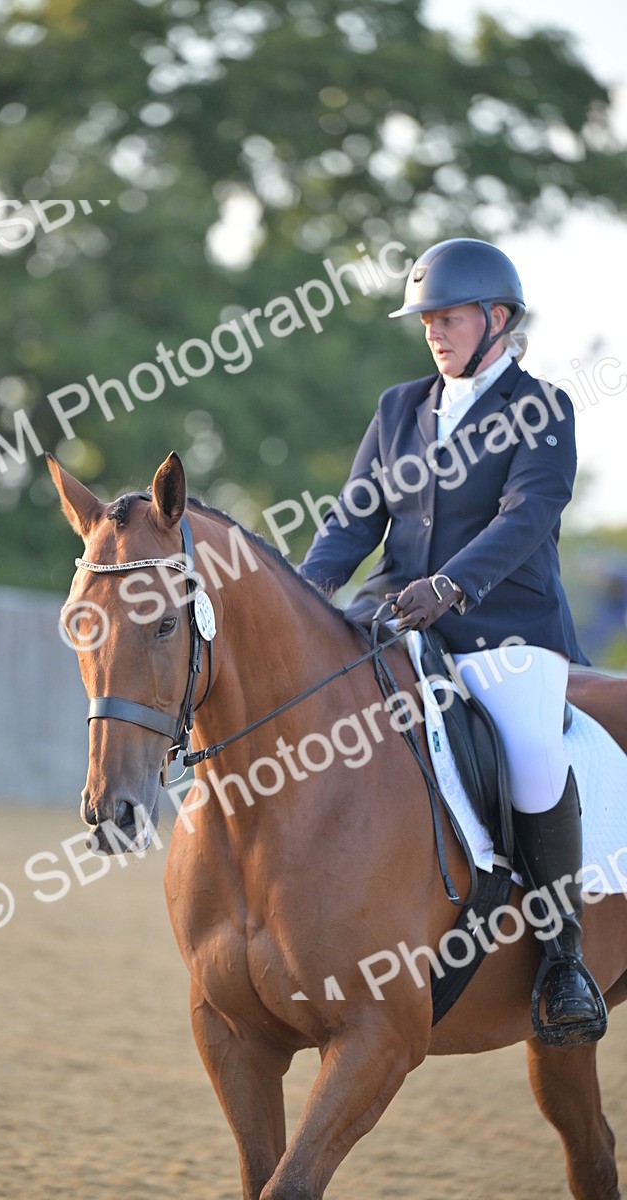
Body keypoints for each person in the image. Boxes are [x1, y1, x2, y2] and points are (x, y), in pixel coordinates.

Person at [299, 237, 601, 1034]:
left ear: (498, 319)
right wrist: (306, 590)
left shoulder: (543, 408)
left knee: (532, 753)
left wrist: (453, 585)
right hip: (394, 616)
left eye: (450, 317)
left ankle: (564, 958)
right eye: (427, 319)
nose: (433, 331)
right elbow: (354, 519)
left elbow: (527, 515)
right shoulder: (399, 408)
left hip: (506, 632)